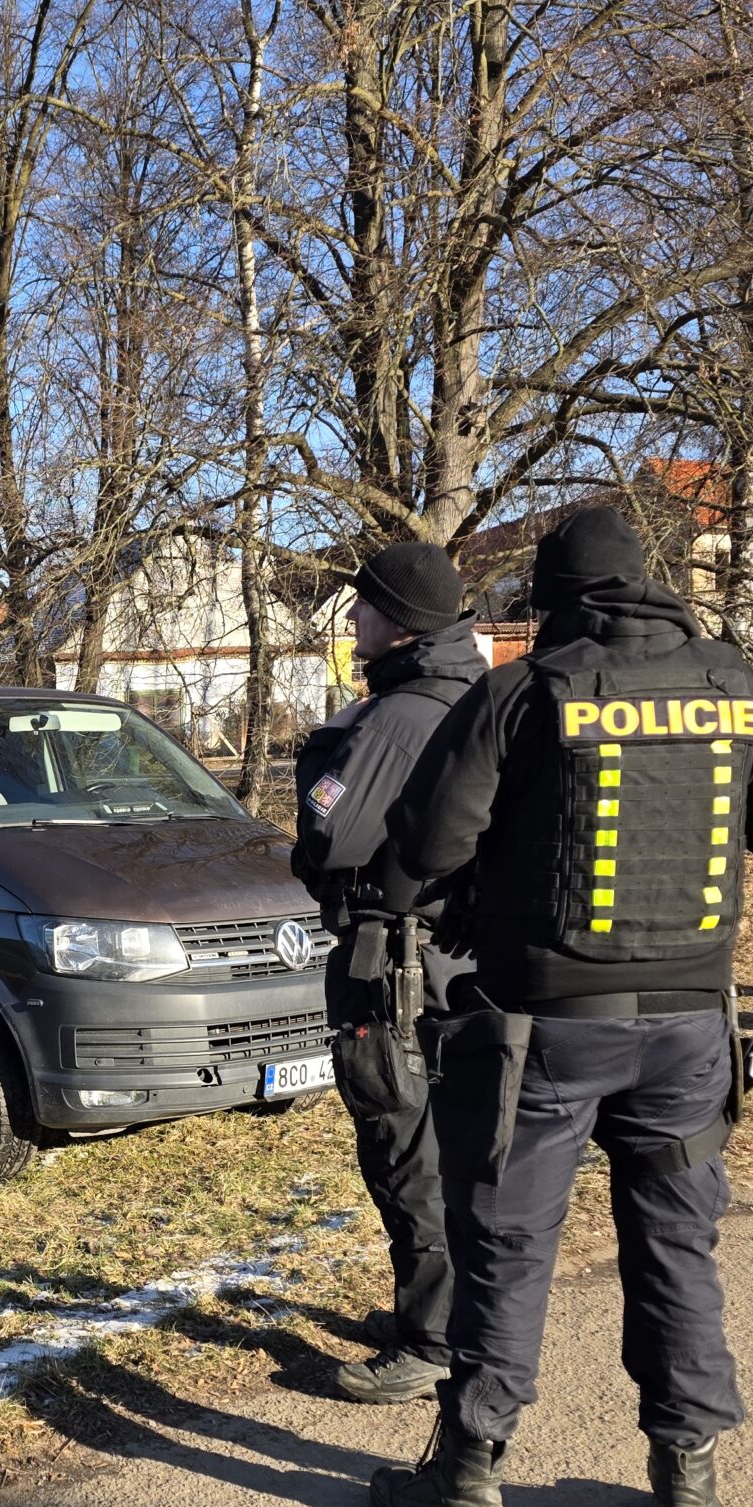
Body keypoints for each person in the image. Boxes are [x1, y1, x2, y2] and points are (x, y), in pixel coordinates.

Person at [370, 506, 753, 1507]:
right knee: (677, 1248)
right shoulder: (734, 682)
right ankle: (688, 1496)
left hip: (543, 1032)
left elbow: (425, 849)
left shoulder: (526, 692)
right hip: (688, 1032)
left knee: (508, 1250)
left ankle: (467, 1478)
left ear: (554, 600)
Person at [291, 541, 487, 1405]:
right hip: (462, 961)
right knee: (447, 1145)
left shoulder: (395, 718)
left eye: (364, 606)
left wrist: (324, 757)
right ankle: (441, 1314)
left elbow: (328, 833)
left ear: (400, 624)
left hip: (399, 967)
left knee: (403, 1148)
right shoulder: (478, 694)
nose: (353, 618)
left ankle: (433, 1340)